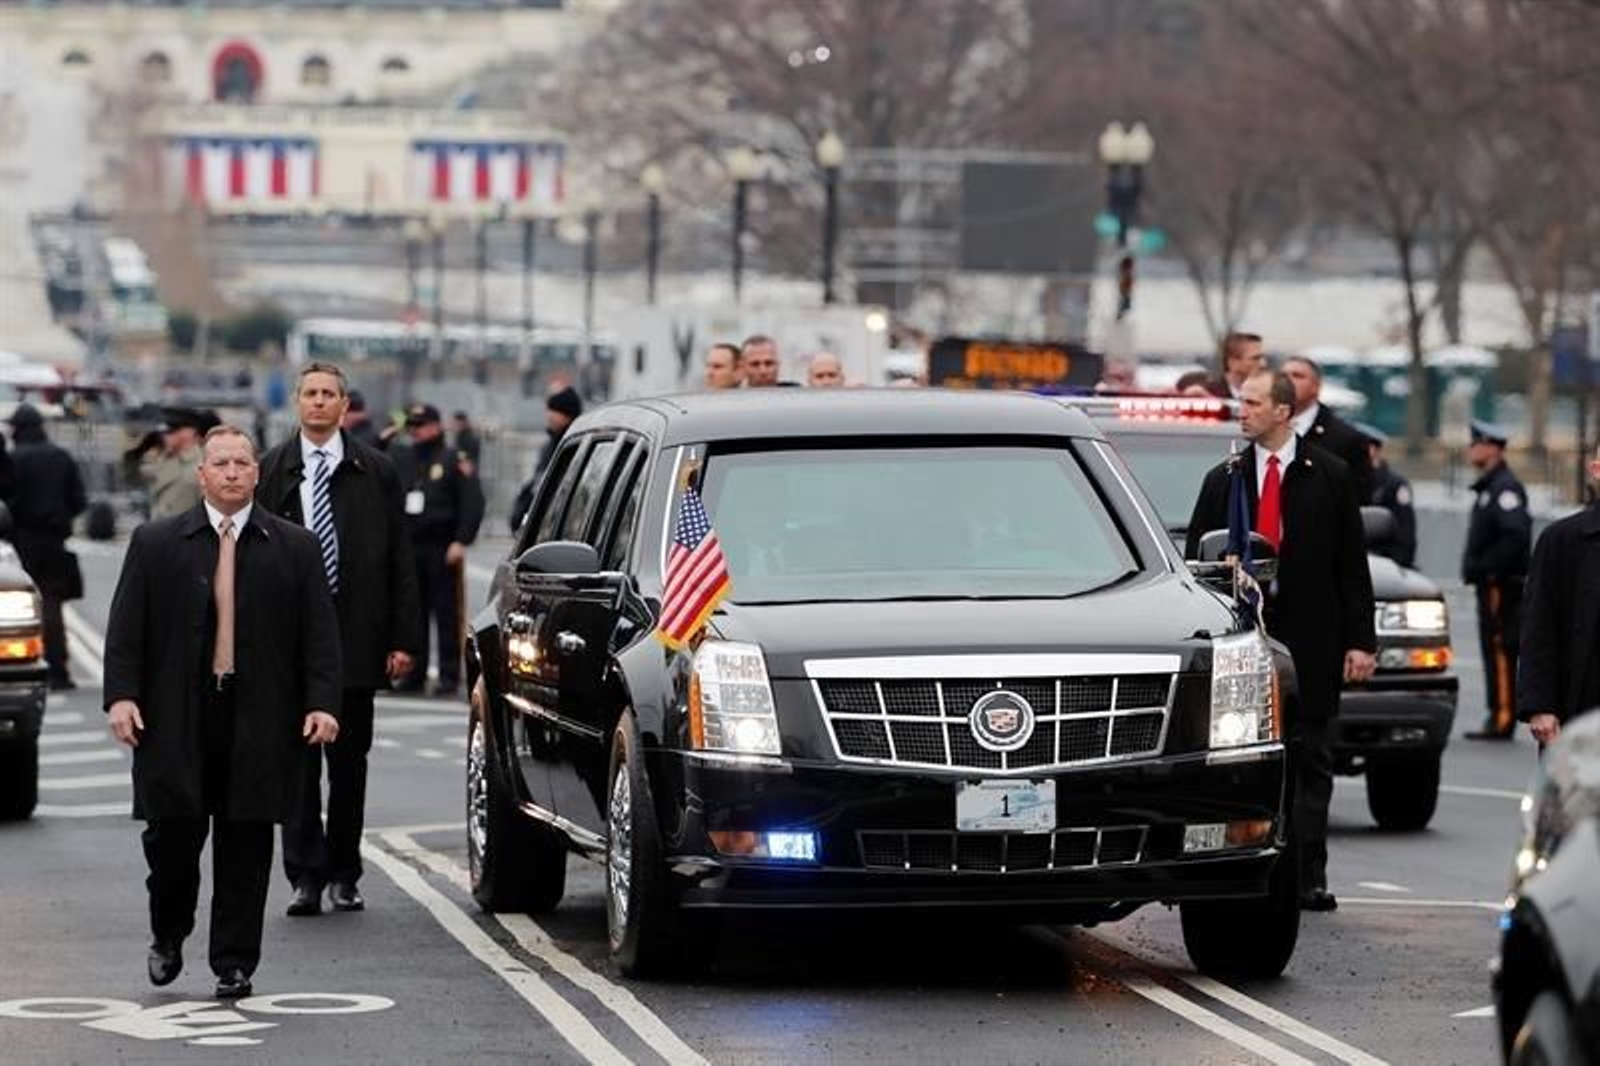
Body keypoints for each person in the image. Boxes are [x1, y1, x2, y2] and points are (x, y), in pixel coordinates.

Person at [103, 425, 341, 1000]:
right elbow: (126, 630)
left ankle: (234, 961)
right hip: (176, 716)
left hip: (259, 715)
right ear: (200, 474)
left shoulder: (295, 547)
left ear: (258, 474)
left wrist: (322, 704)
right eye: (221, 463)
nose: (232, 472)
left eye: (242, 462)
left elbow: (320, 637)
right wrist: (122, 697)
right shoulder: (157, 543)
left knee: (246, 843)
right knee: (171, 843)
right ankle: (168, 932)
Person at [1186, 369, 1376, 912]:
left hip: (1313, 641)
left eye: (1252, 402)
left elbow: (1351, 567)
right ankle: (1248, 870)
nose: (1240, 410)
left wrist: (1361, 641)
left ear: (1282, 412)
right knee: (1249, 760)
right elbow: (1195, 566)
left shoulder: (1330, 475)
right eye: (1240, 401)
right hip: (1247, 643)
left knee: (1313, 758)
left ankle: (1308, 876)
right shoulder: (1225, 478)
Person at [256, 363, 421, 917]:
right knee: (298, 766)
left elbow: (401, 556)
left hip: (356, 636)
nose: (319, 403)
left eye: (329, 394)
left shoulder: (375, 469)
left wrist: (403, 637)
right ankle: (303, 873)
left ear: (344, 404)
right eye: (310, 394)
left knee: (349, 765)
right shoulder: (273, 469)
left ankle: (344, 872)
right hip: (291, 642)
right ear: (297, 402)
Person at [390, 403, 484, 695]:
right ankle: (414, 673)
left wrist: (461, 539)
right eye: (412, 426)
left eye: (421, 426)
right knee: (413, 613)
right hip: (411, 545)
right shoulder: (404, 457)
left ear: (435, 426)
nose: (416, 431)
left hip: (441, 546)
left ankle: (449, 675)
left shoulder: (454, 458)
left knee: (446, 613)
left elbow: (472, 501)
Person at [1518, 442, 1600, 749]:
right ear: (1596, 471)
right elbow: (1539, 626)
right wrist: (1540, 706)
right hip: (1580, 708)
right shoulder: (1562, 541)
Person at [8, 404, 87, 689]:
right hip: (55, 541)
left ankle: (21, 666)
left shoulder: (12, 459)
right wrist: (60, 517)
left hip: (21, 543)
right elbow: (79, 499)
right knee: (52, 604)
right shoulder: (61, 457)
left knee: (18, 607)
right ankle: (59, 670)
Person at [1461, 419, 1531, 740]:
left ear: (1491, 447)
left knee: (1501, 645)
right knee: (1492, 645)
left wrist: (1490, 570)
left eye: (1476, 443)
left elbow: (1515, 537)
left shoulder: (1504, 489)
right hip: (1490, 583)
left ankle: (1503, 714)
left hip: (1499, 586)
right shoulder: (1490, 487)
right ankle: (1497, 711)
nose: (1471, 448)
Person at [1282, 355, 1375, 504]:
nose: (1287, 381)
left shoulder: (1348, 440)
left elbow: (1359, 501)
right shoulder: (1264, 431)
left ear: (1316, 387)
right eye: (1283, 376)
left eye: (1297, 376)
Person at [509, 386, 583, 532]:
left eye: (554, 410)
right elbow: (538, 482)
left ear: (567, 414)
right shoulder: (551, 445)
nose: (549, 415)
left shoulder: (573, 445)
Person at [1352, 422, 1416, 568]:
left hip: (1385, 564)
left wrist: (1398, 565)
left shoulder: (1393, 485)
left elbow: (1405, 535)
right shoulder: (1349, 480)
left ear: (1373, 449)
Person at [140, 408, 208, 519]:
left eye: (172, 431)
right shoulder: (162, 459)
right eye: (164, 433)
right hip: (160, 531)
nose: (165, 437)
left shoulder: (202, 464)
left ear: (189, 432)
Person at [1205, 331, 1265, 399]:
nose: (1263, 364)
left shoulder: (1267, 393)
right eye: (1255, 358)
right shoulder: (1209, 396)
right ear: (1233, 362)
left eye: (1262, 357)